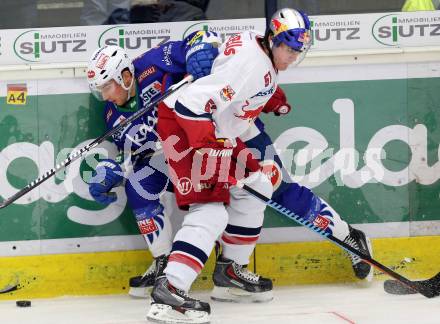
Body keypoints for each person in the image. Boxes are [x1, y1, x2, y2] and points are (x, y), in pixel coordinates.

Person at [149, 8, 374, 323]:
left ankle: (230, 272)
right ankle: (170, 291)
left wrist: (270, 98)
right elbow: (191, 104)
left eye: (299, 51)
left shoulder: (257, 49)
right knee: (210, 211)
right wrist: (209, 148)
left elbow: (243, 85)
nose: (294, 57)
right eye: (290, 49)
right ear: (273, 39)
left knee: (258, 184)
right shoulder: (249, 66)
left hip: (216, 130)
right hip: (189, 129)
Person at [86, 30, 221, 298]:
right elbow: (134, 154)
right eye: (100, 91)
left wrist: (202, 52)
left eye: (107, 87)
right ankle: (162, 260)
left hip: (197, 146)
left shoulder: (156, 61)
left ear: (125, 76)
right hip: (163, 157)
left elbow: (204, 36)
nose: (106, 97)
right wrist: (115, 168)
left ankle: (229, 263)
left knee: (213, 203)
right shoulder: (112, 115)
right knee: (137, 185)